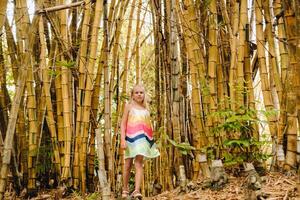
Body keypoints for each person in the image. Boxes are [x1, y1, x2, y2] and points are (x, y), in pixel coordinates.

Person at [120, 84, 160, 199]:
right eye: (136, 92)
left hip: (142, 141)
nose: (139, 94)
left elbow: (148, 126)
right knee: (127, 164)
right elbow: (123, 124)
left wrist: (150, 141)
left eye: (141, 92)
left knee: (138, 163)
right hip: (130, 139)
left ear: (144, 95)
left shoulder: (146, 109)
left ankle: (137, 190)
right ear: (132, 95)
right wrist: (123, 139)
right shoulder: (129, 106)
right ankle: (125, 188)